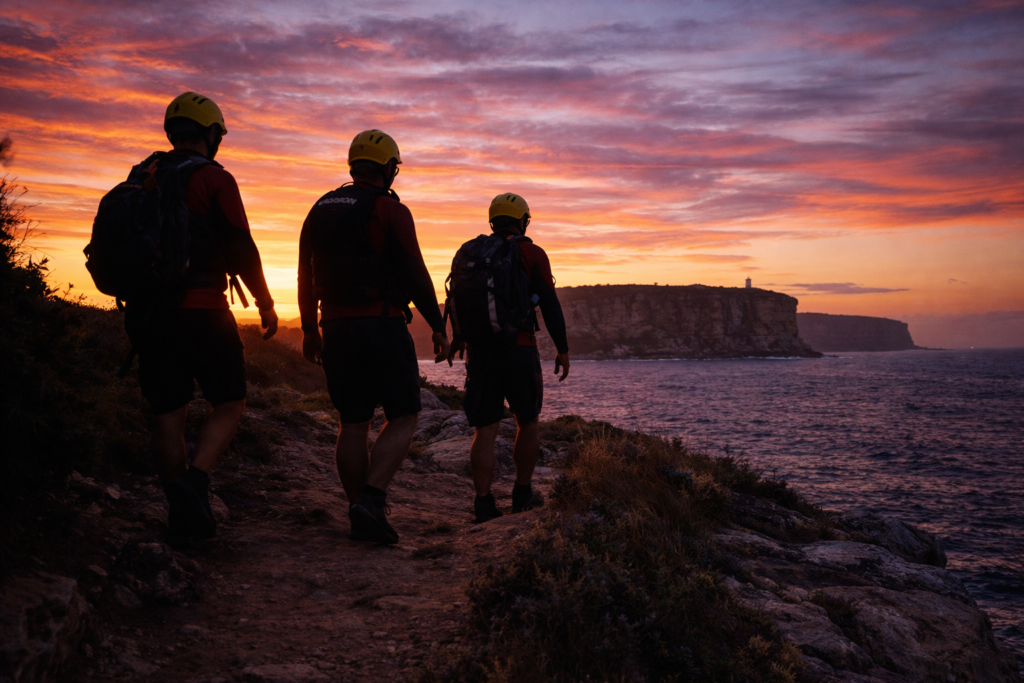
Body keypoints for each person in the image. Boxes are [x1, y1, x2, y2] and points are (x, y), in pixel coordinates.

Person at [125, 91, 279, 547]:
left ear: (173, 133)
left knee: (167, 415)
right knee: (229, 401)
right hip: (204, 309)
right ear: (211, 134)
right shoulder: (214, 178)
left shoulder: (143, 174)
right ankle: (195, 485)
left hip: (151, 313)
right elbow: (240, 245)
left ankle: (182, 516)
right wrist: (266, 302)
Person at [297, 130, 449, 545]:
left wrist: (310, 329)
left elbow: (304, 275)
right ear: (388, 168)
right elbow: (415, 272)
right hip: (381, 325)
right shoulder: (389, 209)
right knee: (403, 415)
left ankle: (359, 511)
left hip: (336, 328)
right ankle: (372, 499)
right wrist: (438, 325)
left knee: (352, 423)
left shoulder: (320, 208)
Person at [447, 193, 570, 523]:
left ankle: (483, 503)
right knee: (526, 421)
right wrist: (563, 349)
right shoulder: (531, 253)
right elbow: (550, 305)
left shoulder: (469, 252)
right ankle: (522, 493)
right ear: (523, 220)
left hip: (480, 351)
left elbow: (460, 298)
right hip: (519, 348)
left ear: (493, 221)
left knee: (484, 430)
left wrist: (457, 338)